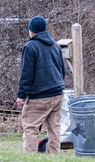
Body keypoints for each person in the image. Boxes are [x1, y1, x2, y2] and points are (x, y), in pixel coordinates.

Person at [16, 16, 65, 154]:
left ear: (31, 30)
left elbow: (26, 74)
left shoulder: (30, 47)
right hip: (57, 93)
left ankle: (30, 160)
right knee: (54, 129)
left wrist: (21, 95)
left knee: (31, 127)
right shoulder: (55, 46)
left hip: (39, 96)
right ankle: (53, 159)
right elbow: (62, 70)